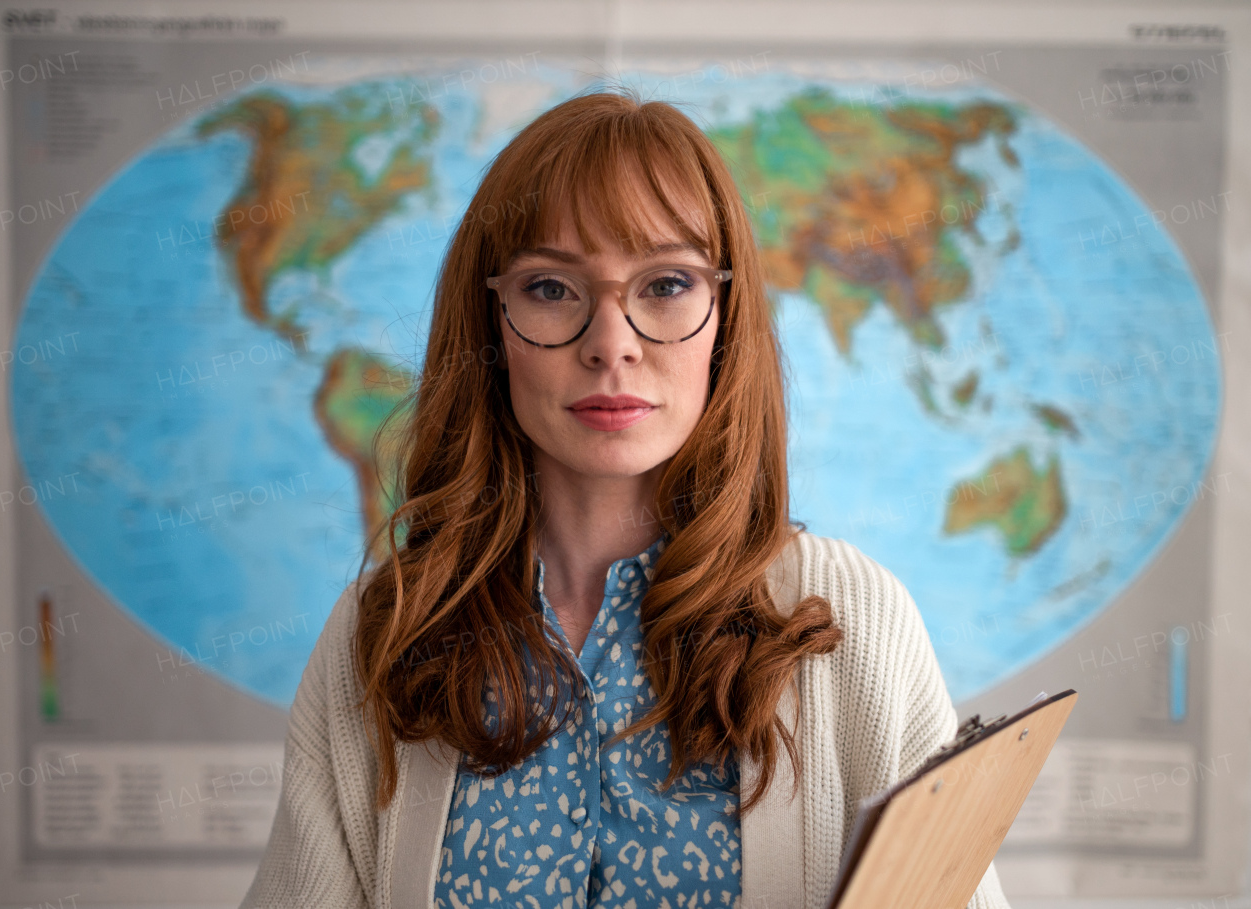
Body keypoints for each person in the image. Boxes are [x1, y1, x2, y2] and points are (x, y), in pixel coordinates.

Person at [240, 85, 1012, 909]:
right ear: (491, 323)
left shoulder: (851, 623)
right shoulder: (384, 633)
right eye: (550, 288)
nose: (612, 345)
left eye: (667, 283)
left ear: (727, 316)